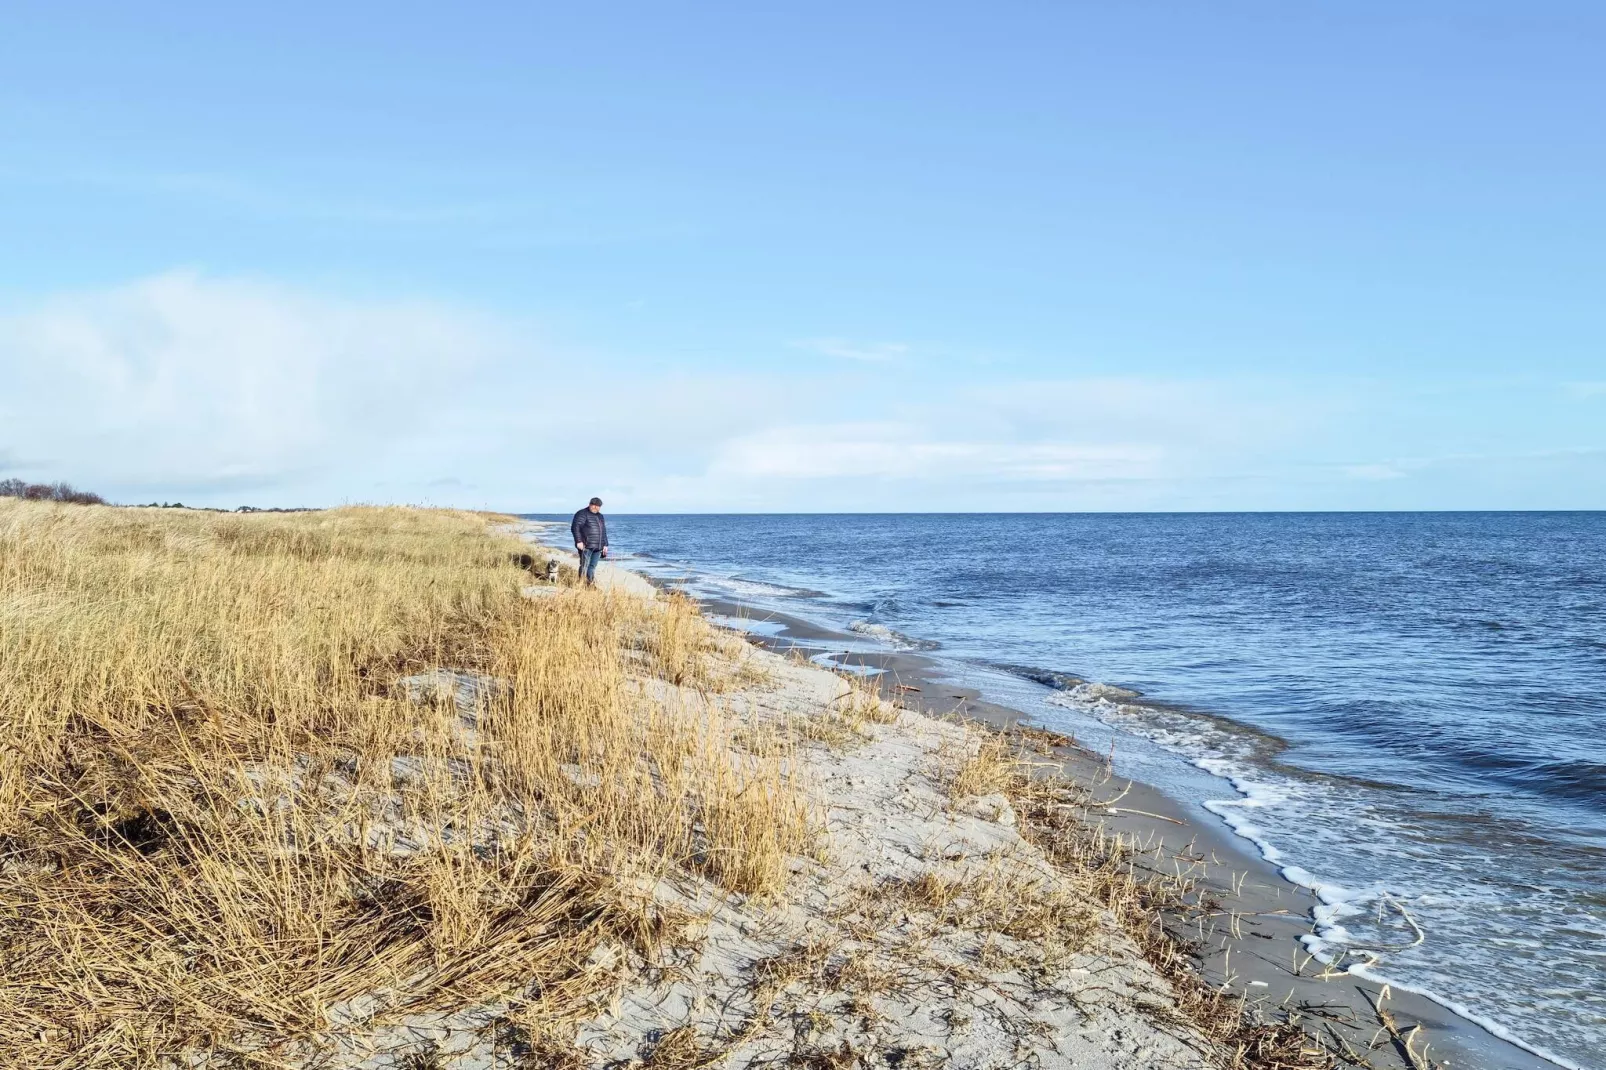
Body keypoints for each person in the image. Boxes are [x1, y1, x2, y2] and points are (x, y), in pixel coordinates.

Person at [570, 497, 609, 586]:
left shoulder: (600, 516)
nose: (595, 507)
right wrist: (578, 541)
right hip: (586, 546)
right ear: (590, 504)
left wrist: (605, 544)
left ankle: (590, 584)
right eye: (594, 505)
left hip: (598, 547)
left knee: (592, 567)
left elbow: (603, 531)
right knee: (584, 566)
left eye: (598, 506)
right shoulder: (582, 513)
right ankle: (581, 584)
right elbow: (575, 528)